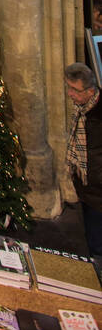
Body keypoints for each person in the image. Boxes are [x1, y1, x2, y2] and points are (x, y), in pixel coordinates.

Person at [65, 62, 102, 261]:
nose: (70, 93)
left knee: (97, 244)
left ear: (89, 91)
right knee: (92, 237)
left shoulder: (97, 116)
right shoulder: (82, 110)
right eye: (68, 87)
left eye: (74, 89)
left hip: (98, 191)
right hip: (87, 189)